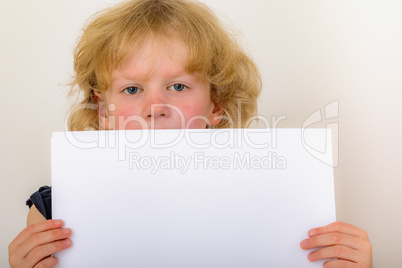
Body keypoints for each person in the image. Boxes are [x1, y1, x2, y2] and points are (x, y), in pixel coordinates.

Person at [8, 0, 373, 267]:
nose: (155, 106)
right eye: (132, 90)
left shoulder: (281, 201)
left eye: (179, 86)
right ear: (104, 110)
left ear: (216, 105)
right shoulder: (53, 215)